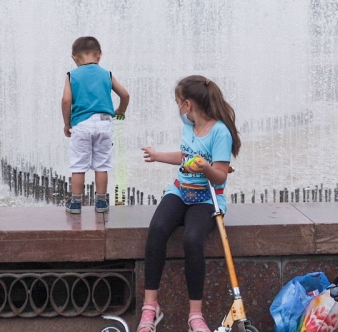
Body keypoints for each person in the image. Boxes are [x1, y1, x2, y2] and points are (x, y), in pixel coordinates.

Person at [138, 75, 241, 332]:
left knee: (192, 239)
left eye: (177, 103)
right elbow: (184, 156)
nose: (177, 109)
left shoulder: (220, 132)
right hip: (180, 192)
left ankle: (195, 314)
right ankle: (151, 307)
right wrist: (158, 156)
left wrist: (205, 166)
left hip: (207, 198)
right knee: (158, 228)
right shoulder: (189, 126)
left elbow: (219, 174)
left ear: (187, 104)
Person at [61, 36, 130, 214]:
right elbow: (125, 95)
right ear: (99, 56)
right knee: (101, 165)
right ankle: (101, 202)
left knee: (78, 165)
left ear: (74, 58)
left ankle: (75, 203)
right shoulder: (106, 74)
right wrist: (120, 111)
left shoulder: (72, 75)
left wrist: (67, 123)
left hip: (81, 125)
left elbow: (66, 100)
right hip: (104, 124)